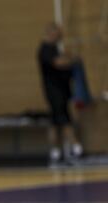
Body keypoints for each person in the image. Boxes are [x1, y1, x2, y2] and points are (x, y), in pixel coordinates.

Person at [37, 23, 84, 166]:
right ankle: (76, 148)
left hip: (62, 91)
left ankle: (56, 152)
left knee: (56, 121)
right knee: (64, 119)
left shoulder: (55, 49)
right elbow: (58, 63)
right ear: (51, 33)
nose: (59, 37)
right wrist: (73, 60)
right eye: (58, 34)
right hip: (54, 92)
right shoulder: (45, 50)